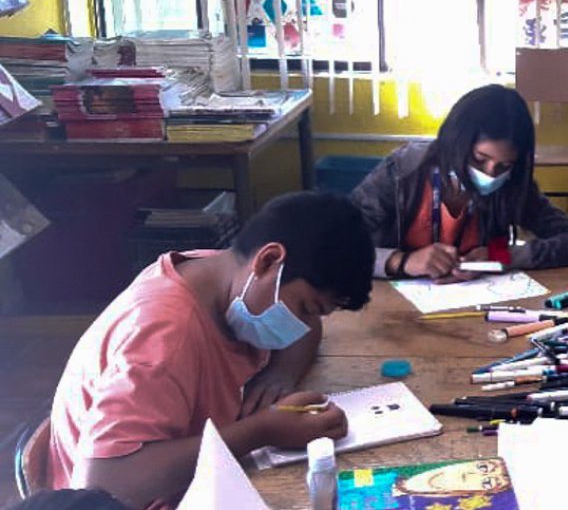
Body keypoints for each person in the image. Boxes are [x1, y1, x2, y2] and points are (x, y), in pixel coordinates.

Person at [46, 192, 376, 509]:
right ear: (269, 259)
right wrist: (261, 430)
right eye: (306, 307)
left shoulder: (221, 273)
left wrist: (281, 375)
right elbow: (107, 484)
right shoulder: (163, 335)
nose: (303, 324)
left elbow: (308, 329)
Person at [352, 84, 568, 281]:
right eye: (479, 160)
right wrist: (401, 262)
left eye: (504, 166)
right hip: (391, 310)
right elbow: (334, 247)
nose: (491, 174)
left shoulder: (512, 184)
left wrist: (503, 256)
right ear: (454, 144)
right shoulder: (401, 173)